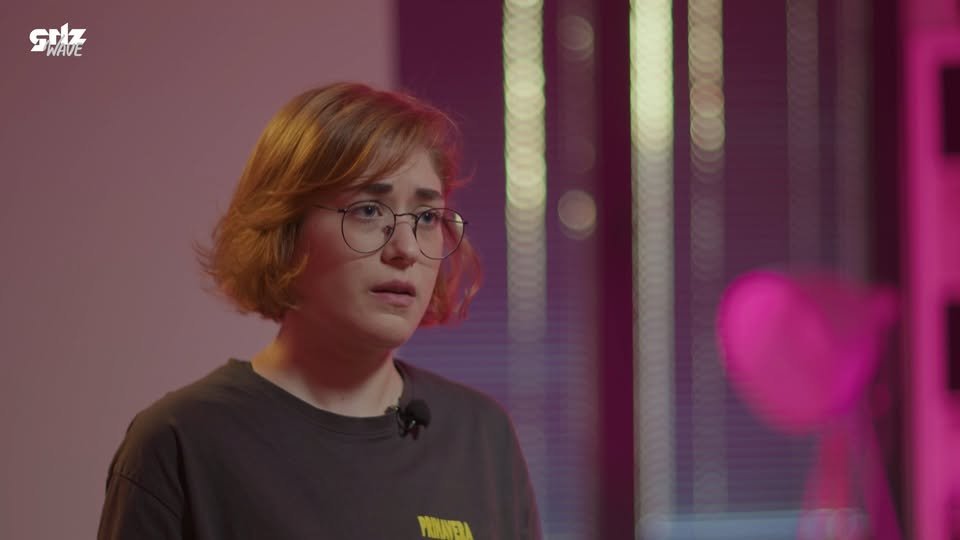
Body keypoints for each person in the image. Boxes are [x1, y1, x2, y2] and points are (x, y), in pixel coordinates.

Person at [97, 82, 542, 539]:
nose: (406, 249)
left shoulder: (483, 438)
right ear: (285, 231)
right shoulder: (182, 443)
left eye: (426, 217)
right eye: (369, 211)